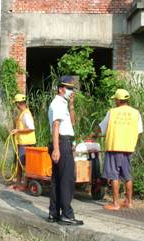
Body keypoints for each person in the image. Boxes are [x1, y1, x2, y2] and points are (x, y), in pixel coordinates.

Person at [93, 89, 143, 210]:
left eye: (115, 99)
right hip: (128, 148)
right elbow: (139, 131)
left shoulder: (112, 112)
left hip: (114, 147)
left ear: (119, 100)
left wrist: (94, 134)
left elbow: (101, 128)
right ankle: (129, 202)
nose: (115, 101)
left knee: (114, 175)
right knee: (127, 175)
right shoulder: (136, 113)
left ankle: (115, 203)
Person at [47, 76, 83, 225]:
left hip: (64, 142)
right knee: (67, 180)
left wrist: (72, 105)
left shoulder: (64, 104)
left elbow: (72, 123)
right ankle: (67, 215)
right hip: (61, 143)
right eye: (68, 88)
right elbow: (56, 125)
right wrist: (57, 149)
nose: (71, 91)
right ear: (61, 89)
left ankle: (54, 213)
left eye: (72, 88)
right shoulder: (58, 103)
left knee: (57, 180)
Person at [10, 94, 36, 191]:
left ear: (18, 103)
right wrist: (16, 131)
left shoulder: (26, 114)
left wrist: (18, 131)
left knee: (24, 165)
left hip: (27, 143)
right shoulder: (22, 113)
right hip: (21, 142)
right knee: (19, 163)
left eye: (16, 103)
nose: (15, 105)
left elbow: (31, 128)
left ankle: (24, 185)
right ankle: (17, 184)